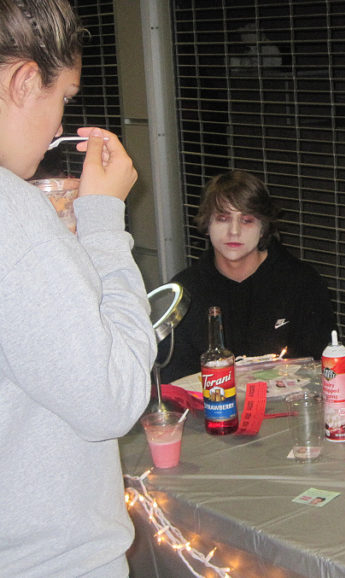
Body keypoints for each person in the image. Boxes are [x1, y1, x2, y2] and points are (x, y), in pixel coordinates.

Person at [0, 1, 156, 575]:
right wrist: (101, 222)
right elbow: (112, 398)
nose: (61, 127)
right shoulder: (10, 214)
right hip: (47, 561)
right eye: (63, 98)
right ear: (23, 81)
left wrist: (61, 253)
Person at [159, 170, 335, 382]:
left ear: (263, 228)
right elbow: (175, 382)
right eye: (223, 218)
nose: (234, 231)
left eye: (247, 220)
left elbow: (321, 370)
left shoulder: (302, 283)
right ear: (207, 225)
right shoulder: (185, 292)